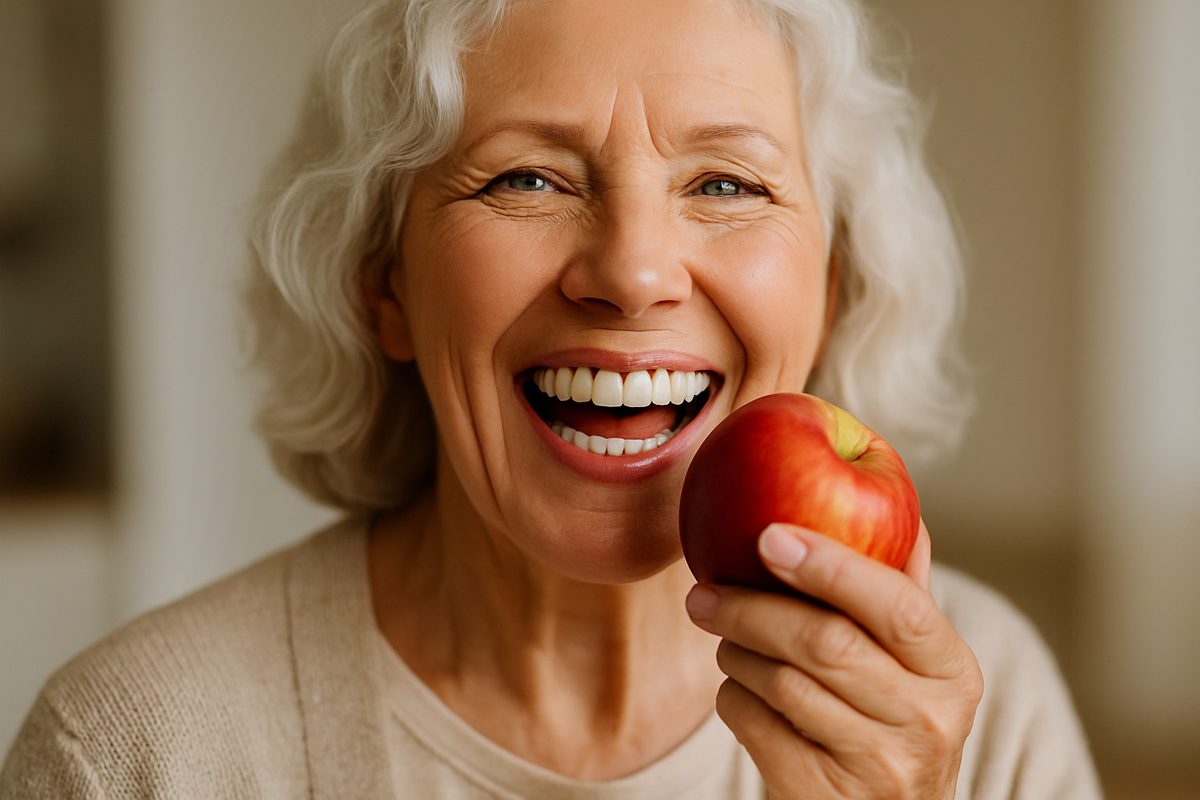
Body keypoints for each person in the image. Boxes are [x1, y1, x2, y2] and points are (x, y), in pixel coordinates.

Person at [1, 0, 1102, 797]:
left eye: (726, 183)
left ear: (834, 285)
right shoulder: (136, 751)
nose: (631, 271)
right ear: (383, 283)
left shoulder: (977, 704)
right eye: (526, 178)